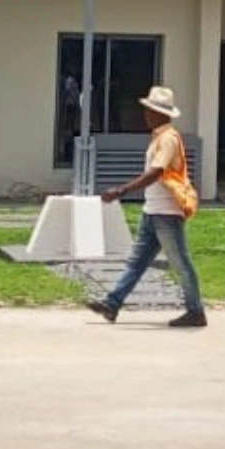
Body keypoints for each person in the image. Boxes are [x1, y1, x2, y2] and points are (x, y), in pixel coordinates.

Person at [87, 85, 206, 328]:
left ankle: (196, 311)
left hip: (166, 213)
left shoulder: (169, 139)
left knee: (181, 263)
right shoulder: (159, 138)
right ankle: (113, 303)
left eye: (150, 110)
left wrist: (122, 190)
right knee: (137, 262)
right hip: (152, 211)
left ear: (163, 114)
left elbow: (156, 172)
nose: (146, 114)